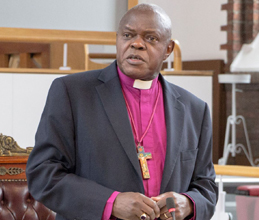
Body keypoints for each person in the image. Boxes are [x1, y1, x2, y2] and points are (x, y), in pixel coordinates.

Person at [26, 3, 218, 220]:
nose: (136, 44)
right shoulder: (73, 93)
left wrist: (188, 203)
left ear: (168, 50)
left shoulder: (194, 109)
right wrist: (111, 202)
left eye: (150, 38)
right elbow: (43, 174)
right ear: (117, 39)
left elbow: (206, 186)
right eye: (128, 35)